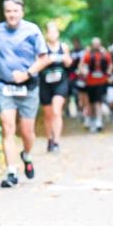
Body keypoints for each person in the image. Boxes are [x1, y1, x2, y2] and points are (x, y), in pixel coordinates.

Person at [0, 0, 49, 188]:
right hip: (5, 87)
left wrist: (27, 74)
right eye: (8, 11)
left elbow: (44, 58)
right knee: (8, 128)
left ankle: (26, 155)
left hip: (28, 86)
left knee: (27, 132)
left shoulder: (32, 30)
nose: (11, 14)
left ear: (22, 12)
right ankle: (11, 172)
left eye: (15, 11)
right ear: (4, 12)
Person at [39, 21, 73, 152]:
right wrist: (48, 60)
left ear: (58, 33)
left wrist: (65, 59)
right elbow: (37, 64)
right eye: (49, 32)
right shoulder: (42, 48)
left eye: (54, 32)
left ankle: (57, 141)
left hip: (60, 82)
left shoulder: (63, 47)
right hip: (45, 83)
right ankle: (50, 139)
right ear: (46, 34)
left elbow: (69, 63)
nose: (52, 35)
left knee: (56, 111)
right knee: (48, 114)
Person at [79, 37, 112, 132]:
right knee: (90, 103)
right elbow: (82, 65)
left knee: (98, 101)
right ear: (92, 45)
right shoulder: (88, 54)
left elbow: (110, 65)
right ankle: (90, 119)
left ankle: (99, 121)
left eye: (98, 43)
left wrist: (108, 74)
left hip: (101, 82)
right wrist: (84, 72)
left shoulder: (105, 54)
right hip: (89, 82)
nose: (96, 45)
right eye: (95, 44)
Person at [68, 36, 88, 122]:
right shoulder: (71, 52)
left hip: (82, 77)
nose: (76, 44)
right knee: (76, 94)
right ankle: (79, 111)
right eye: (74, 43)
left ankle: (84, 112)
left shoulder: (84, 51)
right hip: (73, 77)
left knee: (84, 95)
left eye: (77, 42)